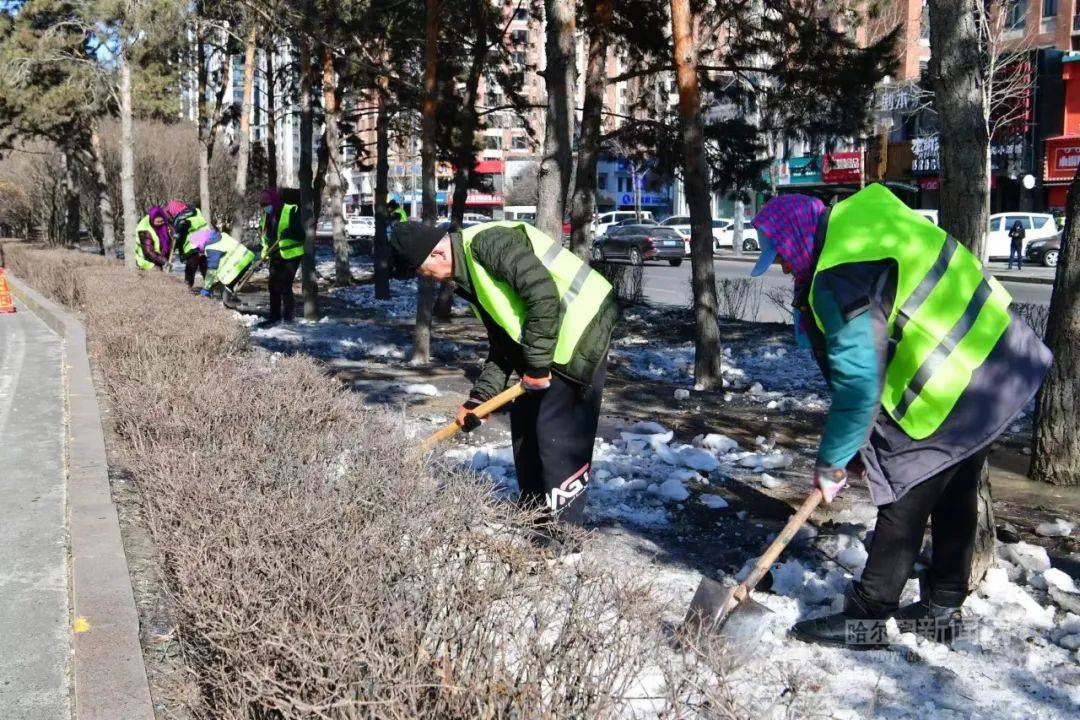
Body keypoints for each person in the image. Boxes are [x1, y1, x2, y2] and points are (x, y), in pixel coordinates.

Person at [747, 186, 1051, 647]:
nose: (785, 266)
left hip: (955, 384)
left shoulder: (839, 272)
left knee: (903, 489)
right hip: (998, 361)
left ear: (796, 235)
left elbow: (859, 385)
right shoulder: (866, 218)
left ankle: (866, 619)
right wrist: (850, 448)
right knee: (956, 487)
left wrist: (830, 463)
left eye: (782, 254)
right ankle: (943, 608)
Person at [388, 220, 618, 538]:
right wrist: (478, 401)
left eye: (423, 270)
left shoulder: (489, 244)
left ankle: (564, 534)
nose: (425, 277)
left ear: (438, 253)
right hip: (546, 340)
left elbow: (543, 296)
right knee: (524, 424)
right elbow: (503, 346)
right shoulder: (470, 278)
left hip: (581, 330)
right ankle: (534, 518)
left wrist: (536, 369)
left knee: (555, 435)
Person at [259, 188, 304, 324]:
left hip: (292, 255)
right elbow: (265, 240)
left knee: (285, 286)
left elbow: (301, 235)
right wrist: (264, 255)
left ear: (274, 201)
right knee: (273, 286)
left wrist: (288, 233)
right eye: (263, 205)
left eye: (267, 204)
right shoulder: (266, 218)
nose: (265, 207)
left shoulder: (291, 211)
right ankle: (274, 317)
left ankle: (289, 318)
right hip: (275, 255)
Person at [191, 229, 255, 299]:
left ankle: (227, 298)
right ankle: (228, 297)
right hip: (246, 258)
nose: (198, 251)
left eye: (198, 248)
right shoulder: (219, 237)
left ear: (201, 243)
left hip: (238, 264)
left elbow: (212, 270)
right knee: (224, 281)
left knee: (223, 279)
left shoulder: (212, 247)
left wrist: (206, 288)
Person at [164, 200, 211, 290]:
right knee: (204, 266)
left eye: (170, 213)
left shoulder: (182, 219)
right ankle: (210, 287)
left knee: (191, 268)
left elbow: (180, 235)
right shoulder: (195, 211)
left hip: (193, 245)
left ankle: (187, 287)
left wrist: (174, 242)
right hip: (206, 241)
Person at [133, 206, 172, 271]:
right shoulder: (144, 230)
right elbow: (148, 252)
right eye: (157, 222)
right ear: (152, 220)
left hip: (158, 258)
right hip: (146, 261)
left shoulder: (164, 225)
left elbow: (168, 237)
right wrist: (163, 261)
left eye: (162, 221)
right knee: (156, 273)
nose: (160, 224)